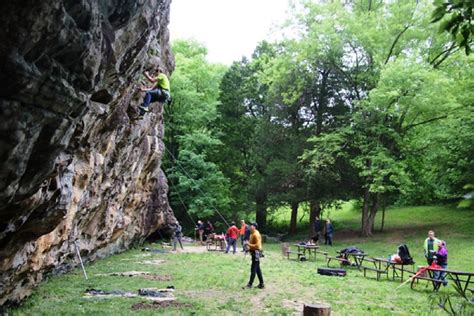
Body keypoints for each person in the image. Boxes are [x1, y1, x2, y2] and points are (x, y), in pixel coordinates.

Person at [243, 223, 264, 289]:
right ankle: (261, 284)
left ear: (254, 227)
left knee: (253, 268)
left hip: (257, 252)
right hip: (254, 252)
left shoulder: (256, 234)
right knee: (257, 269)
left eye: (251, 225)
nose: (250, 226)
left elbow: (257, 245)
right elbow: (252, 244)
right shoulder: (252, 233)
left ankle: (250, 284)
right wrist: (248, 248)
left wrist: (248, 244)